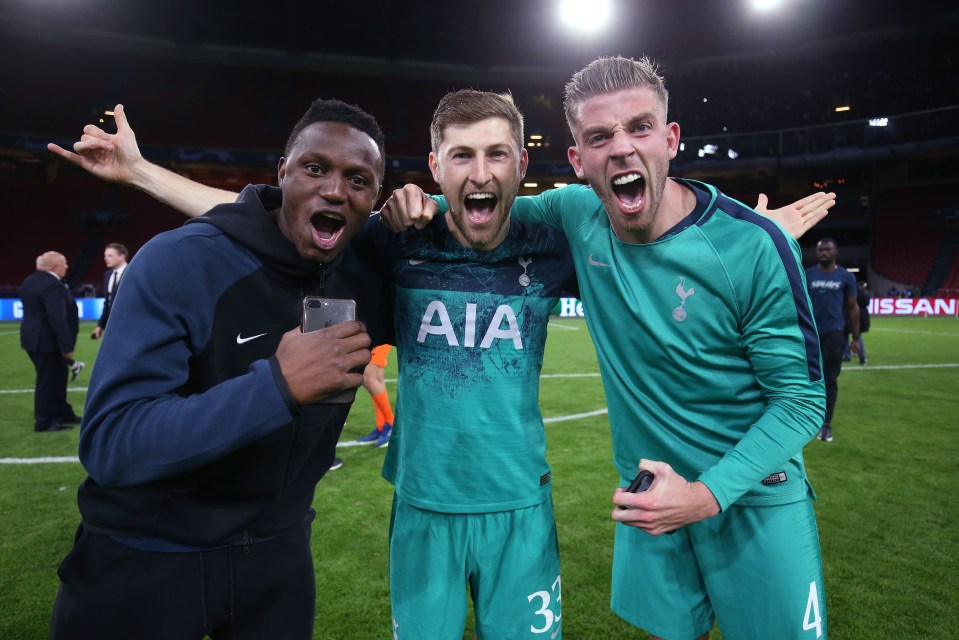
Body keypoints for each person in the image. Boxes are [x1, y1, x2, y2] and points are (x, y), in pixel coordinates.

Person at [52, 86, 832, 639]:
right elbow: (266, 221)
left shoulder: (551, 236)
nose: (481, 172)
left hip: (520, 506)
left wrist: (738, 237)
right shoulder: (396, 242)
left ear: (523, 167)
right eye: (462, 155)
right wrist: (143, 174)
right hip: (422, 505)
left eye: (497, 154)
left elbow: (651, 225)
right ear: (434, 164)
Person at [388, 56, 831, 640]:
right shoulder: (575, 216)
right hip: (649, 496)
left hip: (753, 496)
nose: (621, 148)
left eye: (640, 127)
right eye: (599, 136)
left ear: (671, 139)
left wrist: (703, 496)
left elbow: (801, 403)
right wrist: (415, 203)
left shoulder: (752, 246)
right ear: (578, 160)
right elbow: (482, 205)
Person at [45, 98, 392, 639]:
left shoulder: (366, 277)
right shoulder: (179, 261)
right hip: (146, 559)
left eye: (359, 180)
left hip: (278, 561)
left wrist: (429, 208)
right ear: (283, 173)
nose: (334, 190)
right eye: (315, 168)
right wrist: (276, 386)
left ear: (373, 200)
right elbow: (112, 443)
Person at [19, 251, 83, 432]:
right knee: (48, 382)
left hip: (33, 340)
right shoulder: (53, 284)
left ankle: (62, 413)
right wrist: (67, 346)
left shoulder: (29, 281)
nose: (67, 266)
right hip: (48, 342)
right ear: (55, 266)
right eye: (64, 263)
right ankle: (44, 421)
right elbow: (57, 317)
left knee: (57, 378)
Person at [807, 237, 860, 443]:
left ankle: (825, 424)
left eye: (828, 249)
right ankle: (803, 419)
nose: (824, 253)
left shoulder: (845, 276)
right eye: (820, 249)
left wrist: (856, 338)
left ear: (835, 251)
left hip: (834, 333)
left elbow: (853, 307)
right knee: (805, 377)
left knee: (829, 378)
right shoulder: (808, 274)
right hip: (810, 334)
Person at [355, 344, 395, 447]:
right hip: (373, 333)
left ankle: (391, 423)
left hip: (381, 331)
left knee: (367, 377)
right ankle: (382, 426)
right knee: (376, 378)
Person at [91, 242, 129, 340]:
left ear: (121, 256)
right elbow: (107, 303)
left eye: (110, 255)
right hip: (112, 327)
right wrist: (100, 325)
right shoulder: (107, 275)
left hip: (128, 325)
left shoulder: (132, 273)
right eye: (105, 255)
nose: (105, 258)